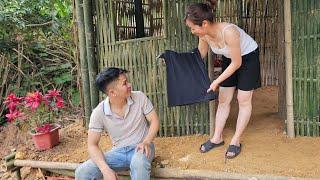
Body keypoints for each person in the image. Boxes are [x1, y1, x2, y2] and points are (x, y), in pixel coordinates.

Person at [184, 0, 261, 159]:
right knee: (224, 99)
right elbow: (199, 56)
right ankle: (216, 138)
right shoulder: (204, 35)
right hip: (230, 58)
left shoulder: (229, 32)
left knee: (243, 99)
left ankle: (236, 140)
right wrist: (176, 62)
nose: (192, 31)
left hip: (247, 58)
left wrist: (216, 81)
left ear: (204, 23)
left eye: (193, 28)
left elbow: (237, 63)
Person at [75, 67, 160, 180]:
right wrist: (106, 170)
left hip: (141, 149)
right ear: (112, 92)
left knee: (138, 163)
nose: (129, 85)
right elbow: (92, 145)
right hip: (118, 153)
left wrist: (146, 141)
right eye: (125, 83)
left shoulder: (139, 97)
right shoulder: (99, 112)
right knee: (82, 171)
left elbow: (154, 120)